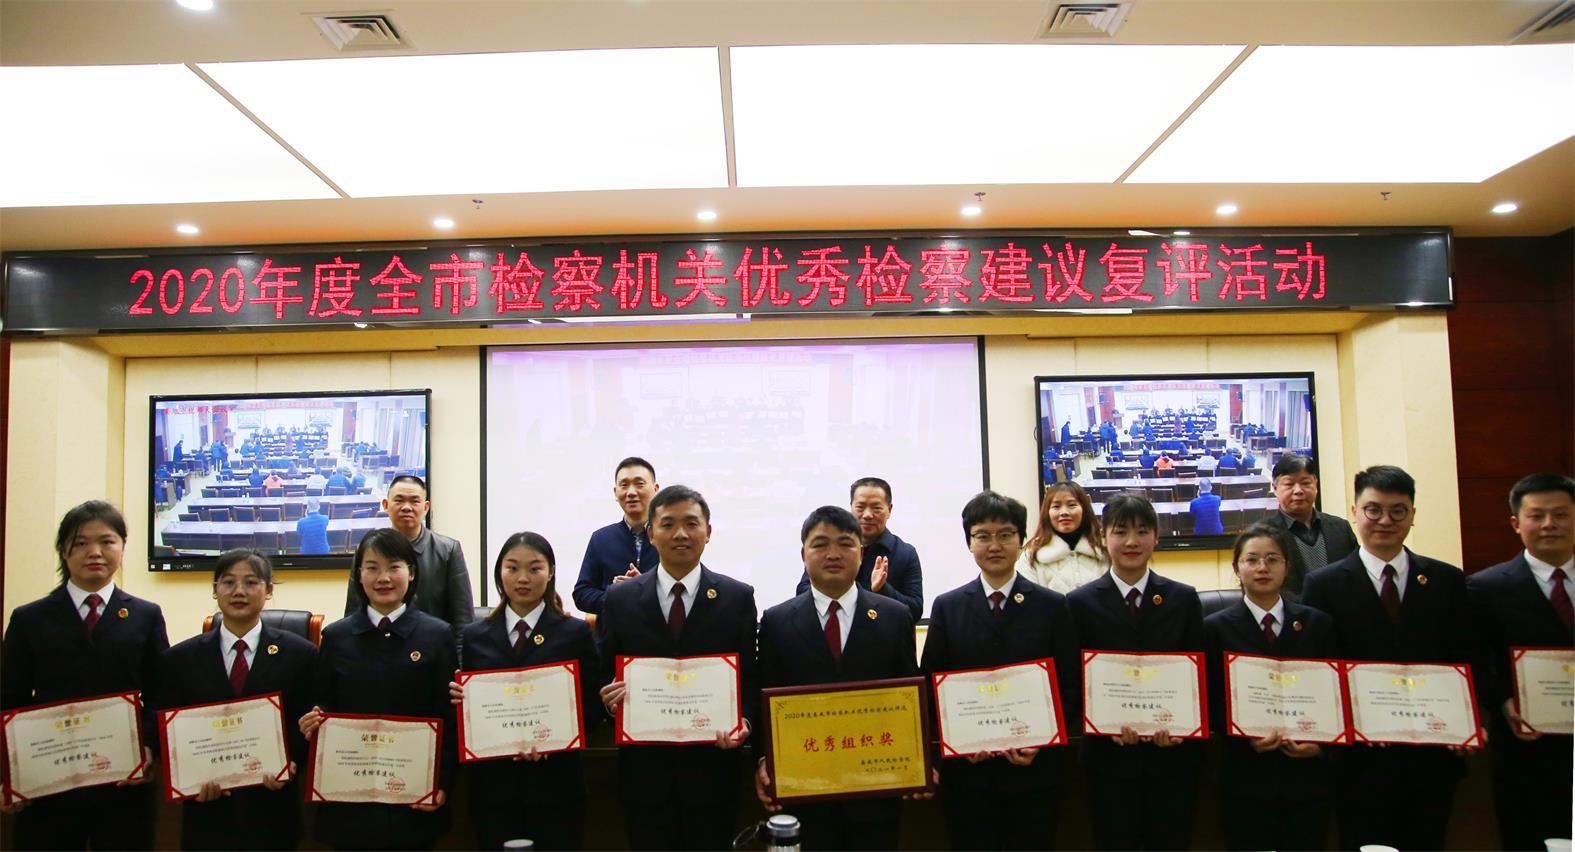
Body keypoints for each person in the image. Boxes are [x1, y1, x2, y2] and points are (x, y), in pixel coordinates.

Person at [1302, 465, 1480, 851]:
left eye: (1398, 511)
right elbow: (1318, 669)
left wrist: (1468, 719)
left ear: (1413, 515)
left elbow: (1466, 655)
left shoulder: (1447, 580)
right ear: (1354, 512)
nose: (1385, 521)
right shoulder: (1323, 585)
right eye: (1374, 510)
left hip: (1433, 754)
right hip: (1361, 759)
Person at [0, 501, 169, 849]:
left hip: (123, 783)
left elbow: (161, 692)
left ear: (122, 547)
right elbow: (9, 698)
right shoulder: (29, 619)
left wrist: (149, 747)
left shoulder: (146, 616)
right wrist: (8, 774)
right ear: (64, 551)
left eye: (107, 541)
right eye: (80, 543)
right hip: (48, 782)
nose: (95, 552)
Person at [597, 485, 756, 850]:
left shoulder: (737, 597)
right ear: (651, 534)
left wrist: (745, 721)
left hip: (713, 771)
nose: (680, 533)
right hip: (645, 774)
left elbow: (750, 676)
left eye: (691, 523)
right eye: (668, 524)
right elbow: (604, 672)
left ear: (708, 532)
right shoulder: (620, 598)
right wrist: (609, 701)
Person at [756, 506, 923, 850]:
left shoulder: (894, 616)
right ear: (803, 554)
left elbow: (908, 693)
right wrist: (763, 760)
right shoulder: (776, 621)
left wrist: (919, 759)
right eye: (820, 544)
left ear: (860, 552)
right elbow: (764, 696)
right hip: (804, 790)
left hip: (875, 790)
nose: (833, 554)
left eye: (845, 544)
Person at [921, 492, 1080, 850]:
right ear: (969, 543)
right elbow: (931, 683)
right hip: (968, 775)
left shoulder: (1053, 606)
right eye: (983, 536)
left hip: (1034, 772)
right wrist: (959, 739)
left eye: (1005, 534)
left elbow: (1070, 685)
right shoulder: (947, 607)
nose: (994, 545)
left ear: (1021, 540)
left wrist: (1041, 738)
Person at [301, 529, 458, 850]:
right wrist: (314, 719)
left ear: (411, 573)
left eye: (394, 567)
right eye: (372, 568)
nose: (383, 578)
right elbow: (322, 701)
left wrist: (440, 783)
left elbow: (448, 717)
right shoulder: (336, 637)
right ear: (359, 575)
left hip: (413, 798)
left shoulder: (437, 635)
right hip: (349, 800)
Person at [1066, 493, 1205, 850]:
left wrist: (1182, 726)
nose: (1131, 541)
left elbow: (1197, 675)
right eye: (1120, 531)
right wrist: (1103, 721)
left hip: (1171, 756)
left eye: (1142, 531)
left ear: (1156, 537)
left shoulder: (1183, 599)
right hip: (1107, 759)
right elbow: (1073, 678)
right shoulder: (1079, 603)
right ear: (1103, 537)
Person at [158, 549, 316, 851]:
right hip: (207, 812)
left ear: (268, 590)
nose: (239, 591)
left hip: (272, 810)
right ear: (214, 589)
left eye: (251, 582)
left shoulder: (301, 654)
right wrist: (187, 775)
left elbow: (307, 722)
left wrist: (291, 762)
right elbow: (166, 726)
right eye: (228, 582)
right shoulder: (180, 659)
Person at [453, 532, 599, 851]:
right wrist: (461, 700)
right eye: (512, 568)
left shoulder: (574, 633)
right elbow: (473, 711)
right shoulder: (475, 636)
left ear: (550, 573)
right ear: (499, 573)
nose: (522, 578)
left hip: (555, 782)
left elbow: (592, 705)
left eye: (534, 568)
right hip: (494, 785)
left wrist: (554, 737)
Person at [1203, 524, 1337, 851]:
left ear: (1287, 567)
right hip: (1246, 775)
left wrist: (1322, 746)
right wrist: (1243, 735)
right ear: (1237, 568)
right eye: (1252, 560)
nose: (1262, 568)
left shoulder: (1317, 625)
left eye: (1272, 559)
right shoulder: (1214, 629)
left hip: (1306, 776)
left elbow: (1335, 696)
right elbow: (1208, 699)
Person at [1466, 472, 1575, 851]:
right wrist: (1502, 703)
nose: (1549, 524)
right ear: (1516, 523)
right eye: (1536, 515)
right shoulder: (1486, 587)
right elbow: (1477, 659)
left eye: (1560, 514)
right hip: (1526, 747)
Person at [342, 475, 474, 642]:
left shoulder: (448, 550)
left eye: (414, 501)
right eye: (399, 500)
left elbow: (463, 620)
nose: (406, 507)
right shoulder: (366, 550)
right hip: (376, 648)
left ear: (425, 508)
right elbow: (353, 612)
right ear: (386, 505)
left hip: (433, 648)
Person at [795, 477, 924, 621]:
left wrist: (882, 589)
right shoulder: (833, 552)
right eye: (860, 507)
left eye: (876, 508)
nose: (867, 515)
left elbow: (915, 610)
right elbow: (801, 593)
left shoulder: (905, 553)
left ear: (889, 510)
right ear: (851, 507)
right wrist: (834, 587)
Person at [571, 456, 661, 618]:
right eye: (624, 485)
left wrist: (645, 589)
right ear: (615, 493)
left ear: (656, 489)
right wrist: (616, 595)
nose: (631, 492)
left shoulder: (669, 537)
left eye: (639, 484)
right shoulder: (601, 538)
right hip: (613, 632)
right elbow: (581, 594)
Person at [1260, 455, 1358, 594]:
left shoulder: (1341, 528)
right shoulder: (1262, 535)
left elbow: (1357, 575)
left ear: (1315, 485)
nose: (1298, 491)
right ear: (1275, 489)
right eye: (1289, 484)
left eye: (1305, 483)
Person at [1017, 481, 1108, 593]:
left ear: (1084, 508)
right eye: (1056, 506)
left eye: (1072, 505)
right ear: (1047, 512)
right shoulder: (1031, 554)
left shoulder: (1105, 549)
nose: (1064, 512)